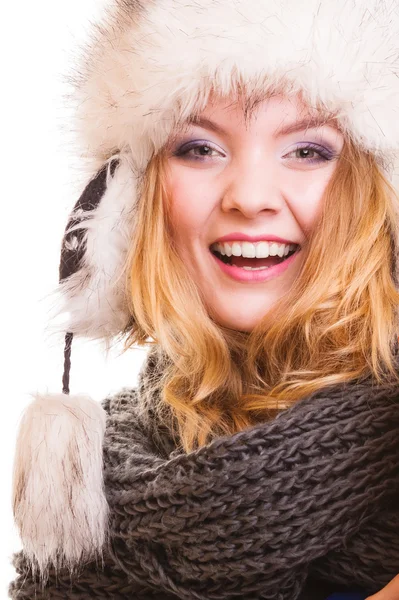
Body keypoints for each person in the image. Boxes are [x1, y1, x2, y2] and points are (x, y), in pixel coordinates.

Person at [8, 0, 399, 598]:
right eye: (199, 148)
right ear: (128, 204)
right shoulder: (89, 502)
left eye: (308, 150)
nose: (248, 195)